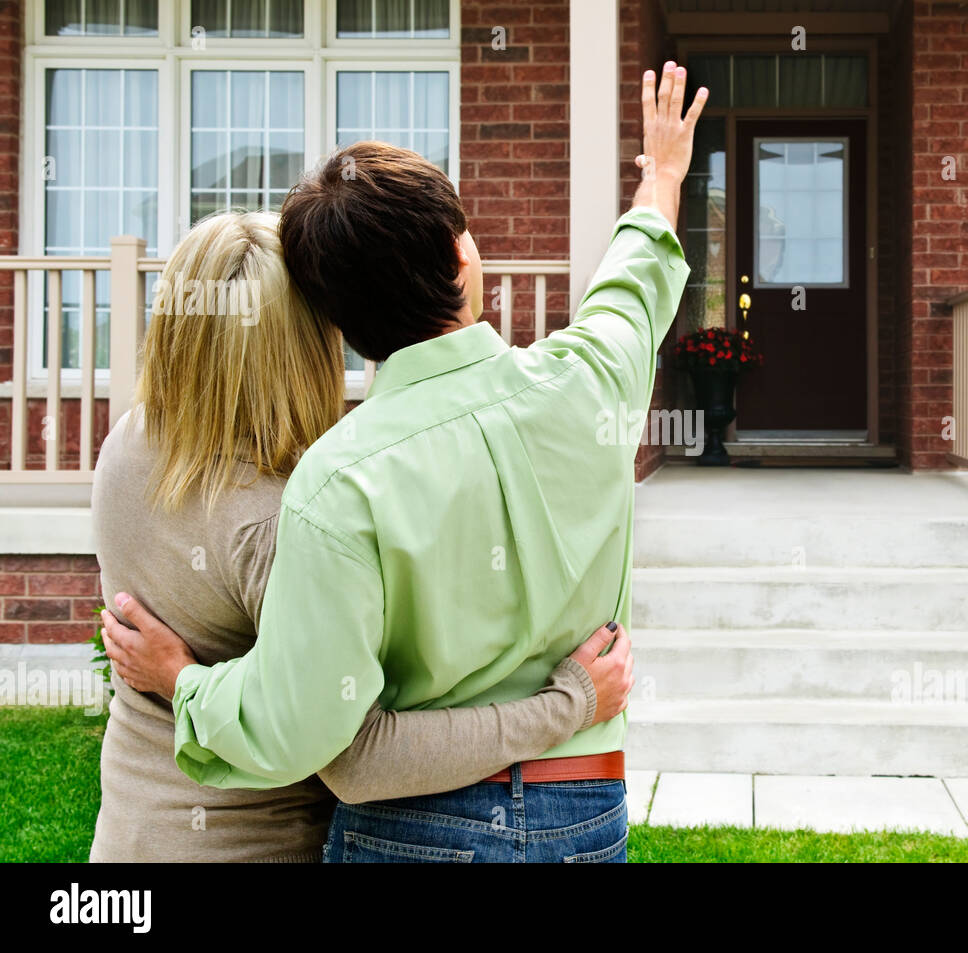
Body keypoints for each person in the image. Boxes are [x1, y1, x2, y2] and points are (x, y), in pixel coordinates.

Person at [102, 62, 706, 863]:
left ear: (340, 324)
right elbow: (634, 281)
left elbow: (305, 726)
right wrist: (662, 174)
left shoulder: (335, 483)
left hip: (411, 827)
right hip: (584, 813)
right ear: (461, 256)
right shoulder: (591, 381)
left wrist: (183, 680)